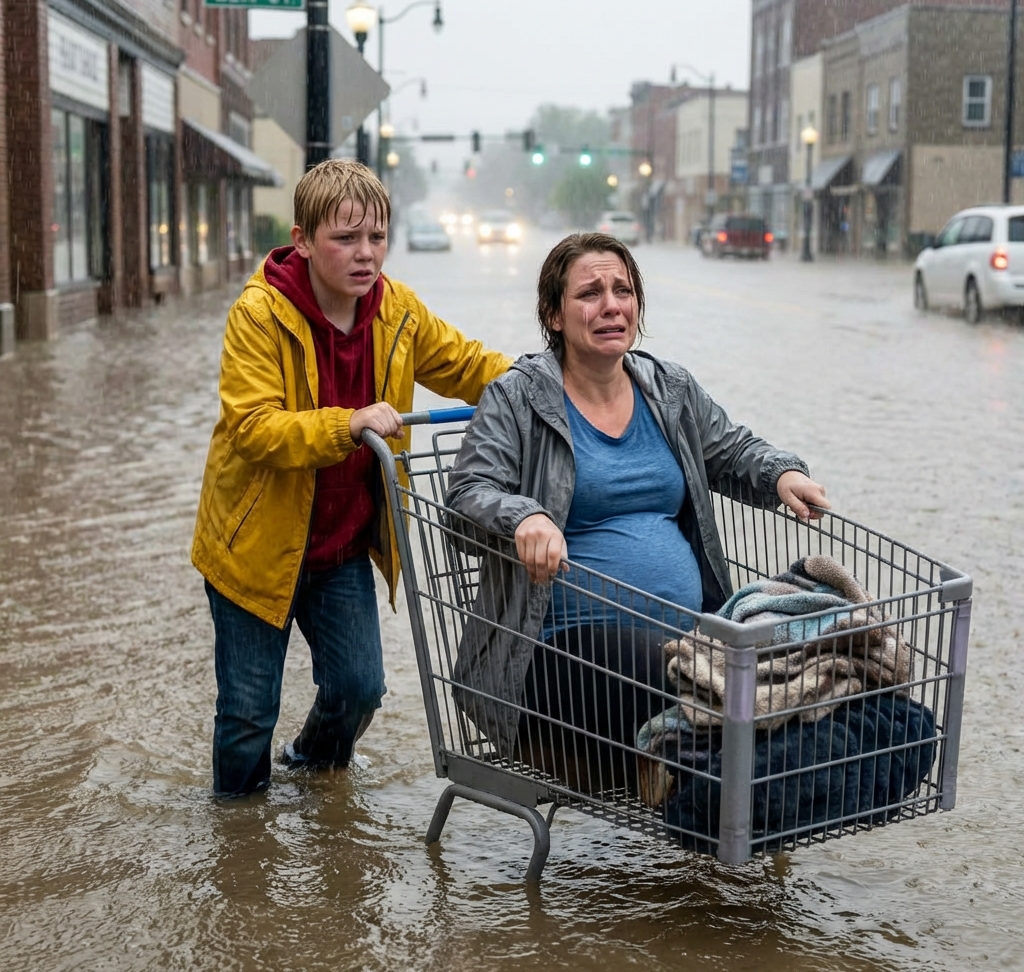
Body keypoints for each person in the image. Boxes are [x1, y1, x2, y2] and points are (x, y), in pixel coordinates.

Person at [446, 232, 829, 794]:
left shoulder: (668, 388)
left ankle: (742, 783)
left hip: (685, 635)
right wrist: (523, 516)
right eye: (589, 293)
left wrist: (781, 473)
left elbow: (733, 449)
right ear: (554, 314)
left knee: (802, 655)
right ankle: (692, 774)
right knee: (702, 679)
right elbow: (467, 493)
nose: (610, 306)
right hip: (556, 647)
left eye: (622, 290)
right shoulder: (517, 398)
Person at [191, 160, 512, 797]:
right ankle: (239, 833)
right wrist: (348, 422)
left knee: (359, 689)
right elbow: (253, 427)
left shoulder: (398, 311)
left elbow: (468, 363)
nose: (365, 255)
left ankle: (313, 767)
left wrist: (551, 379)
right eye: (345, 239)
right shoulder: (259, 314)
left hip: (339, 549)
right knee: (248, 714)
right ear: (303, 239)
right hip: (255, 549)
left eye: (377, 237)